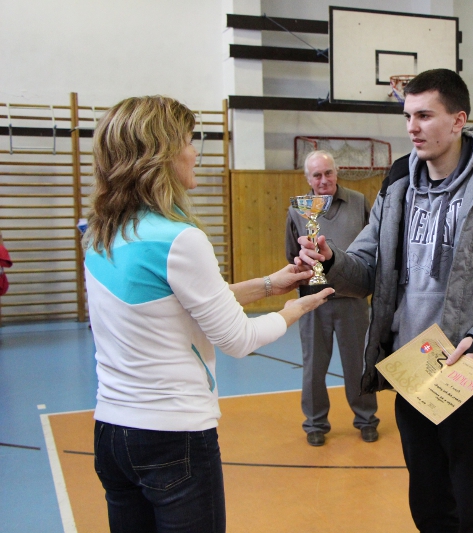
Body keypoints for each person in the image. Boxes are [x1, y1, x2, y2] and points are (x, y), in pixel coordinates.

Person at [296, 69, 473, 533]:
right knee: (430, 509)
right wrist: (332, 260)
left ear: (458, 120)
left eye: (425, 116)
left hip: (470, 372)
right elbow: (367, 267)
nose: (412, 127)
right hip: (413, 367)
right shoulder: (398, 185)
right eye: (408, 116)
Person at [85, 96, 333, 533]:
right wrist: (293, 310)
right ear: (161, 156)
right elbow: (238, 340)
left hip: (111, 433)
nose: (194, 151)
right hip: (173, 437)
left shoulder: (102, 233)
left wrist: (268, 284)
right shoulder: (180, 239)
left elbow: (171, 305)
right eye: (187, 141)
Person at [285, 150, 379, 447]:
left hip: (353, 297)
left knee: (358, 364)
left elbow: (373, 245)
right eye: (317, 175)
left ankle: (366, 418)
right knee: (313, 366)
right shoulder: (298, 210)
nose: (323, 180)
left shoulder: (358, 202)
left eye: (328, 173)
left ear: (336, 172)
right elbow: (291, 253)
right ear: (308, 179)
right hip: (313, 300)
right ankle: (315, 423)